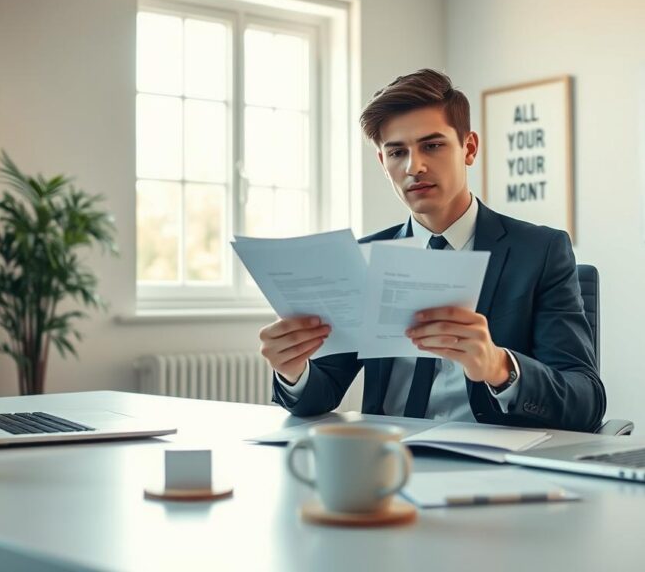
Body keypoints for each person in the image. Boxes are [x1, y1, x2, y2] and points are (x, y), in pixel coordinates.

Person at [259, 69, 605, 431]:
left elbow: (586, 400)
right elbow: (323, 391)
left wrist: (498, 367)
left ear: (468, 148)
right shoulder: (365, 257)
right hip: (386, 460)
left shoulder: (540, 251)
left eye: (432, 145)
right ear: (383, 162)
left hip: (491, 464)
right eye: (397, 152)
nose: (414, 166)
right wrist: (293, 370)